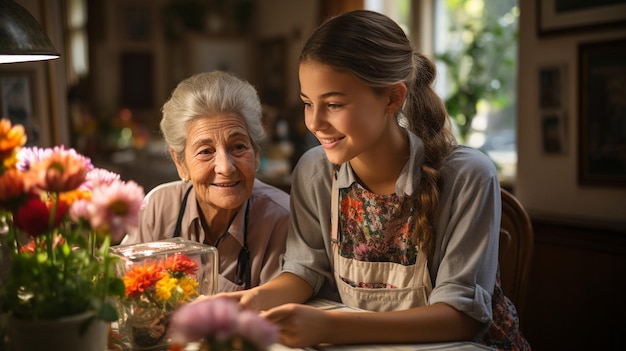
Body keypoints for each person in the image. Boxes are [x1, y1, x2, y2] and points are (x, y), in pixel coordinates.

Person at [219, 10, 531, 350]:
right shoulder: (314, 170)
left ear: (392, 98)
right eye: (308, 103)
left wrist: (333, 327)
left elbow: (461, 318)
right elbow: (306, 270)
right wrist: (248, 302)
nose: (315, 123)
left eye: (334, 104)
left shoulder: (468, 176)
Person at [123, 71, 290, 292]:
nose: (226, 167)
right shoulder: (158, 207)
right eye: (206, 151)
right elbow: (123, 286)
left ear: (256, 154)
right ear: (180, 162)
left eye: (238, 147)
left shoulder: (281, 219)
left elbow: (281, 318)